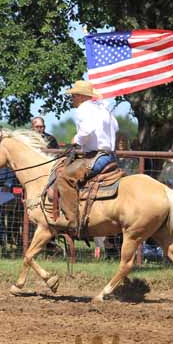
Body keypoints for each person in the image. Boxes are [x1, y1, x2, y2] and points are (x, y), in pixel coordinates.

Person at [54, 80, 118, 233]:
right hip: (109, 155)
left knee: (64, 177)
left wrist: (76, 140)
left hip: (95, 156)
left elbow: (87, 130)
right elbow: (116, 127)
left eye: (74, 96)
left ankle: (71, 220)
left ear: (82, 97)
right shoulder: (103, 109)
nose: (72, 99)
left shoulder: (83, 109)